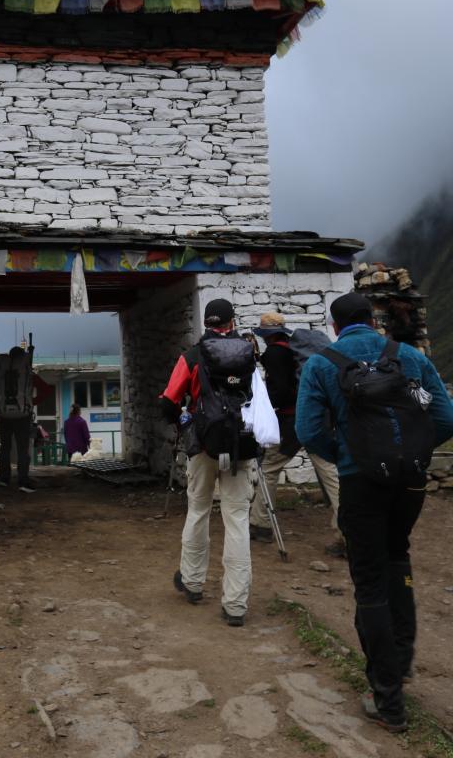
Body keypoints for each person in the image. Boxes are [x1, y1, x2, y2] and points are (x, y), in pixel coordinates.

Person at [296, 291, 453, 732]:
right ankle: (400, 663)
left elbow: (308, 430)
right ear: (373, 319)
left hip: (360, 482)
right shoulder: (409, 357)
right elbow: (445, 417)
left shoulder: (321, 364)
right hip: (410, 482)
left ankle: (388, 701)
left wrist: (348, 458)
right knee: (397, 557)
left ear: (333, 326)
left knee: (368, 581)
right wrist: (414, 454)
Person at [160, 298, 257, 627]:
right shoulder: (248, 353)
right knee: (237, 519)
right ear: (232, 321)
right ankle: (235, 604)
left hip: (203, 445)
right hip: (241, 444)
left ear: (206, 322)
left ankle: (192, 582)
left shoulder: (193, 356)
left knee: (199, 509)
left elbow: (168, 403)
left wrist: (185, 420)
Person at [248, 311, 343, 556]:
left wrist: (264, 405)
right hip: (319, 418)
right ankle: (348, 532)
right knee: (329, 472)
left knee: (270, 467)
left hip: (293, 420)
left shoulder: (274, 354)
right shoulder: (296, 350)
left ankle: (260, 523)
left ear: (267, 335)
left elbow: (280, 392)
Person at [0, 346, 51, 493]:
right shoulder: (28, 373)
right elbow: (46, 390)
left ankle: (3, 480)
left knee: (5, 448)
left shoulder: (0, 373)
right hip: (23, 417)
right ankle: (22, 482)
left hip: (4, 416)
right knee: (22, 450)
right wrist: (30, 403)